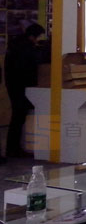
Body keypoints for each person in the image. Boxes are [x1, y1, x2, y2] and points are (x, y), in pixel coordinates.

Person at [4, 23, 45, 158]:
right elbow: (29, 65)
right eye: (38, 37)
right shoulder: (25, 48)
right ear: (33, 36)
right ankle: (14, 149)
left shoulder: (16, 44)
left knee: (17, 117)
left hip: (14, 85)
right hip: (21, 87)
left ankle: (12, 148)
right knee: (18, 117)